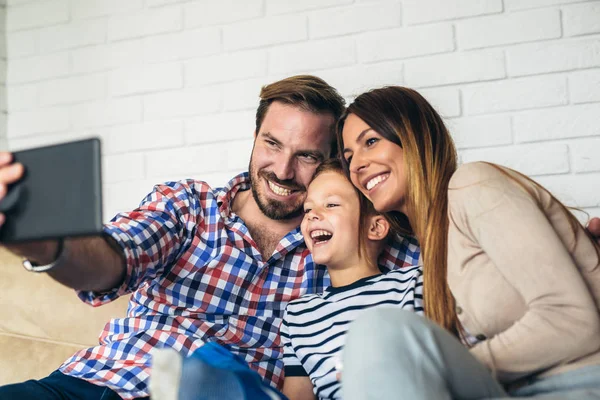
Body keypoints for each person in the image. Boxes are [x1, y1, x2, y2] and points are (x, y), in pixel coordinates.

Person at [0, 76, 421, 400]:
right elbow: (113, 257)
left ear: (331, 163)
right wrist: (43, 244)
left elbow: (443, 273)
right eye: (272, 144)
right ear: (255, 139)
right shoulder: (187, 205)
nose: (282, 169)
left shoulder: (349, 237)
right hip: (105, 384)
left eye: (307, 155)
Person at [336, 86, 600, 399]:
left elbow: (573, 322)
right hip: (515, 391)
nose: (356, 165)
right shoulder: (432, 249)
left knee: (376, 330)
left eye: (370, 141)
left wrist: (437, 364)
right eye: (349, 157)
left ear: (414, 137)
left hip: (579, 382)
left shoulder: (473, 185)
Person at [281, 159, 423, 400]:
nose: (313, 216)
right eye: (307, 209)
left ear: (376, 227)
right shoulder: (298, 316)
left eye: (331, 204)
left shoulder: (411, 284)